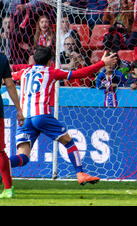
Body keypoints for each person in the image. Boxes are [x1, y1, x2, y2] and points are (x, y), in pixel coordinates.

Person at [9, 46, 117, 189]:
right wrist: (102, 63)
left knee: (23, 156)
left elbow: (10, 75)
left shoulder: (23, 72)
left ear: (34, 59)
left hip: (24, 118)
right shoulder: (51, 71)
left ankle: (2, 164)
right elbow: (80, 74)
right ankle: (80, 174)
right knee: (68, 142)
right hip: (41, 115)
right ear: (50, 61)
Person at [0, 53, 25, 199]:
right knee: (0, 151)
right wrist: (19, 109)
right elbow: (9, 84)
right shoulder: (2, 58)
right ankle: (8, 188)